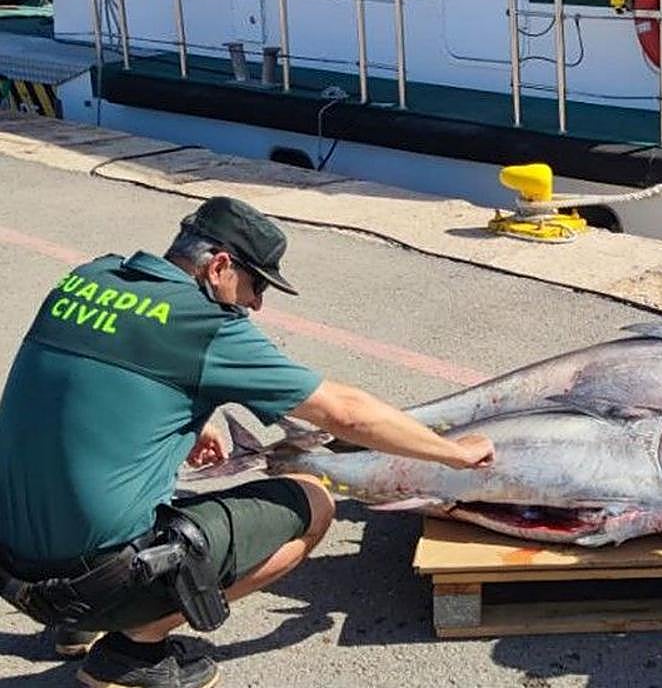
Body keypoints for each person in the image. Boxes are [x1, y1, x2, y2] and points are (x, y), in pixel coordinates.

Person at [0, 196, 495, 688]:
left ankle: (78, 624)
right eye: (257, 284)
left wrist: (196, 415)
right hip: (98, 580)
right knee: (314, 502)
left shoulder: (88, 278)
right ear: (219, 266)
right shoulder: (206, 324)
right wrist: (455, 453)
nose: (257, 303)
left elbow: (89, 382)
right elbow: (345, 412)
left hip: (16, 572)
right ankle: (133, 652)